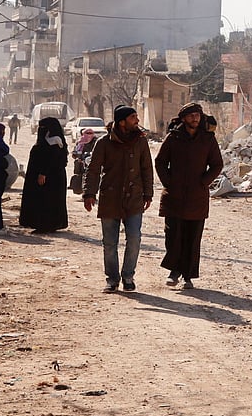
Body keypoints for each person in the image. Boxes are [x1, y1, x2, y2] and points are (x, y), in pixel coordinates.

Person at [154, 102, 224, 290]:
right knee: (173, 236)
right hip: (174, 197)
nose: (195, 118)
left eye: (197, 115)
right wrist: (169, 182)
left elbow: (217, 164)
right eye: (191, 115)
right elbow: (160, 162)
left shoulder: (207, 139)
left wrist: (204, 182)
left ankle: (188, 276)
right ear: (184, 118)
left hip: (197, 197)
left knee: (193, 238)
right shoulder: (173, 138)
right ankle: (174, 271)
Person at [83, 105, 153, 292]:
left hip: (134, 198)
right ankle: (112, 279)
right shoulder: (104, 143)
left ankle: (128, 276)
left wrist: (148, 193)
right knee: (109, 243)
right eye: (133, 117)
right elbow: (93, 170)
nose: (137, 121)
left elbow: (147, 168)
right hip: (110, 197)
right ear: (122, 122)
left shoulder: (140, 141)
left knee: (134, 238)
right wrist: (89, 193)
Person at [19, 117, 69, 233]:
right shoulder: (47, 142)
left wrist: (43, 173)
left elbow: (52, 160)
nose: (40, 130)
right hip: (47, 177)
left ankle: (46, 225)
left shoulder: (55, 142)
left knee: (47, 201)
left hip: (50, 178)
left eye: (43, 128)